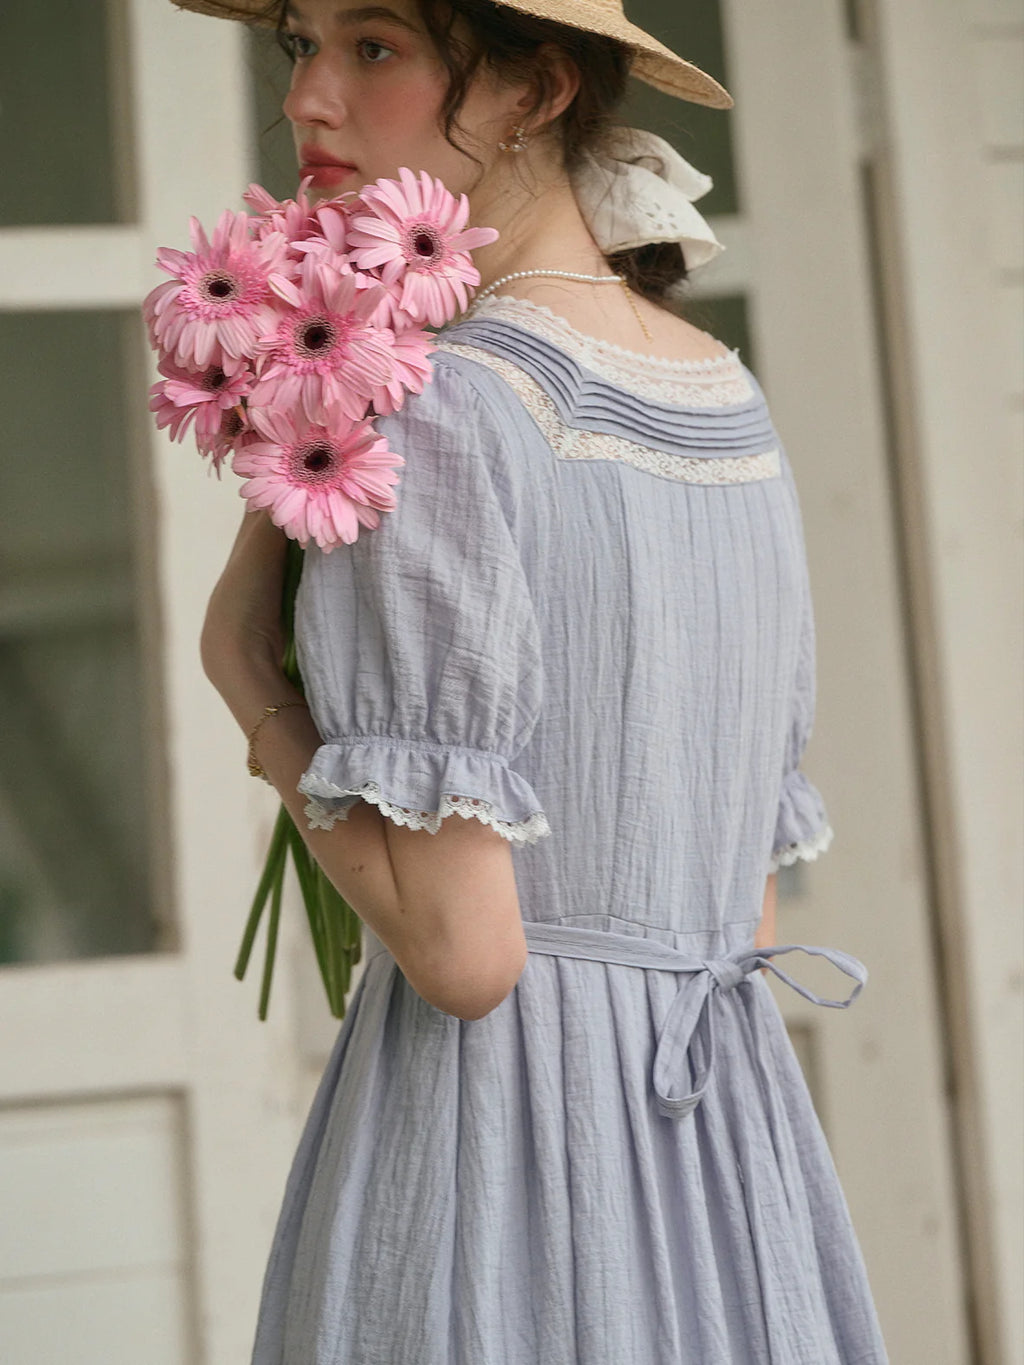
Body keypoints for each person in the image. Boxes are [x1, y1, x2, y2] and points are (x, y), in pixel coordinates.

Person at [182, 0, 890, 1359]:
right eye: (301, 46)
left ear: (536, 91)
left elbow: (465, 954)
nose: (309, 98)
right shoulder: (726, 399)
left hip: (504, 1159)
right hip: (726, 1172)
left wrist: (252, 682)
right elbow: (741, 910)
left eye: (374, 46)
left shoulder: (444, 408)